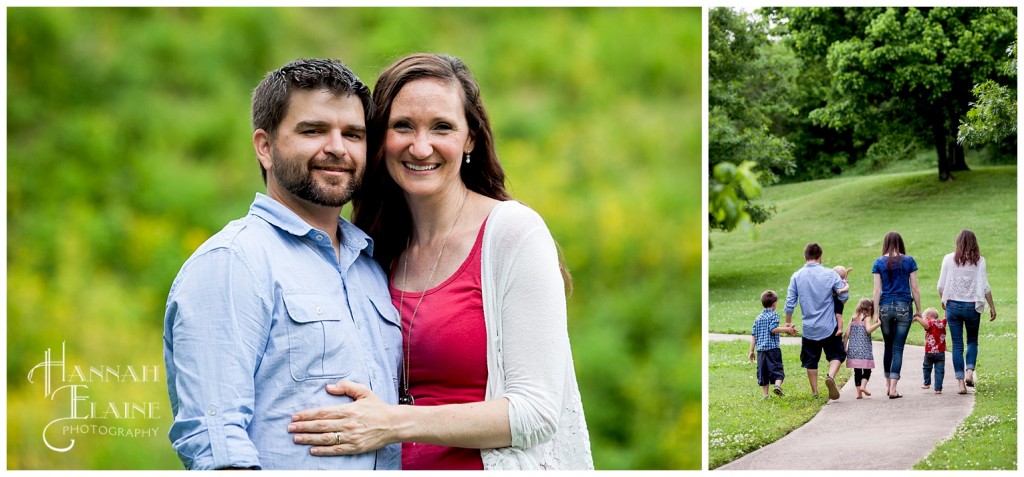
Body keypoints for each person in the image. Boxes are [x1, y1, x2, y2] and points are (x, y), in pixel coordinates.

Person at [286, 53, 593, 470]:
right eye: (402, 126)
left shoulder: (513, 234)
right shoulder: (372, 246)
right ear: (380, 138)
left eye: (442, 127)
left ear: (470, 138)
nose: (421, 146)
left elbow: (537, 411)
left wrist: (394, 422)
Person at [163, 58, 402, 470]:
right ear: (265, 146)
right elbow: (214, 439)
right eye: (313, 130)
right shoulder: (233, 263)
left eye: (353, 134)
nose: (337, 148)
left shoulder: (371, 268)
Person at [937, 229, 996, 394]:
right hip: (972, 307)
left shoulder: (948, 259)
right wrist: (991, 306)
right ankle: (970, 371)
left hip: (953, 306)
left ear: (958, 242)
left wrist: (944, 300)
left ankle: (961, 384)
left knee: (957, 345)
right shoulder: (980, 261)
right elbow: (984, 286)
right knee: (972, 341)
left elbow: (940, 286)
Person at [784, 242, 846, 400]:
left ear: (805, 257)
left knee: (810, 360)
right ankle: (830, 376)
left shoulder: (797, 276)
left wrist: (788, 323)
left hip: (809, 327)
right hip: (829, 325)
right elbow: (844, 296)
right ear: (821, 257)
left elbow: (790, 301)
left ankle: (815, 392)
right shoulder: (830, 274)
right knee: (836, 354)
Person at [871, 231, 923, 399]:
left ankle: (887, 385)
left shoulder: (878, 262)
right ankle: (893, 388)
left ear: (885, 243)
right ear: (900, 243)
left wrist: (874, 313)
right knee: (898, 348)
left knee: (888, 346)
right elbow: (915, 288)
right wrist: (919, 310)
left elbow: (877, 290)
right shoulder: (908, 261)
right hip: (904, 306)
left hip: (885, 307)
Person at [749, 290, 798, 398]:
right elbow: (773, 329)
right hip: (773, 349)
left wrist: (751, 351)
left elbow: (754, 335)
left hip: (761, 350)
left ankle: (765, 395)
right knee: (777, 369)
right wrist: (787, 329)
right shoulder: (774, 315)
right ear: (774, 304)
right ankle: (777, 385)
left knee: (763, 372)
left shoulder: (758, 318)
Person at [843, 298, 879, 399]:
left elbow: (846, 335)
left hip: (853, 350)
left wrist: (844, 348)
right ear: (870, 308)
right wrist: (878, 324)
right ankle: (863, 387)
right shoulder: (866, 318)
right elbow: (868, 330)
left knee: (857, 371)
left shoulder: (853, 318)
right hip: (864, 350)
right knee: (867, 370)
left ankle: (858, 393)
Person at [914, 307, 947, 395]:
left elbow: (925, 325)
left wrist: (917, 318)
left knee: (926, 368)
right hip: (941, 353)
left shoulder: (930, 323)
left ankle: (927, 383)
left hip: (929, 353)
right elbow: (945, 317)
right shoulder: (942, 324)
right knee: (939, 371)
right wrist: (945, 309)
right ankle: (938, 389)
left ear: (928, 318)